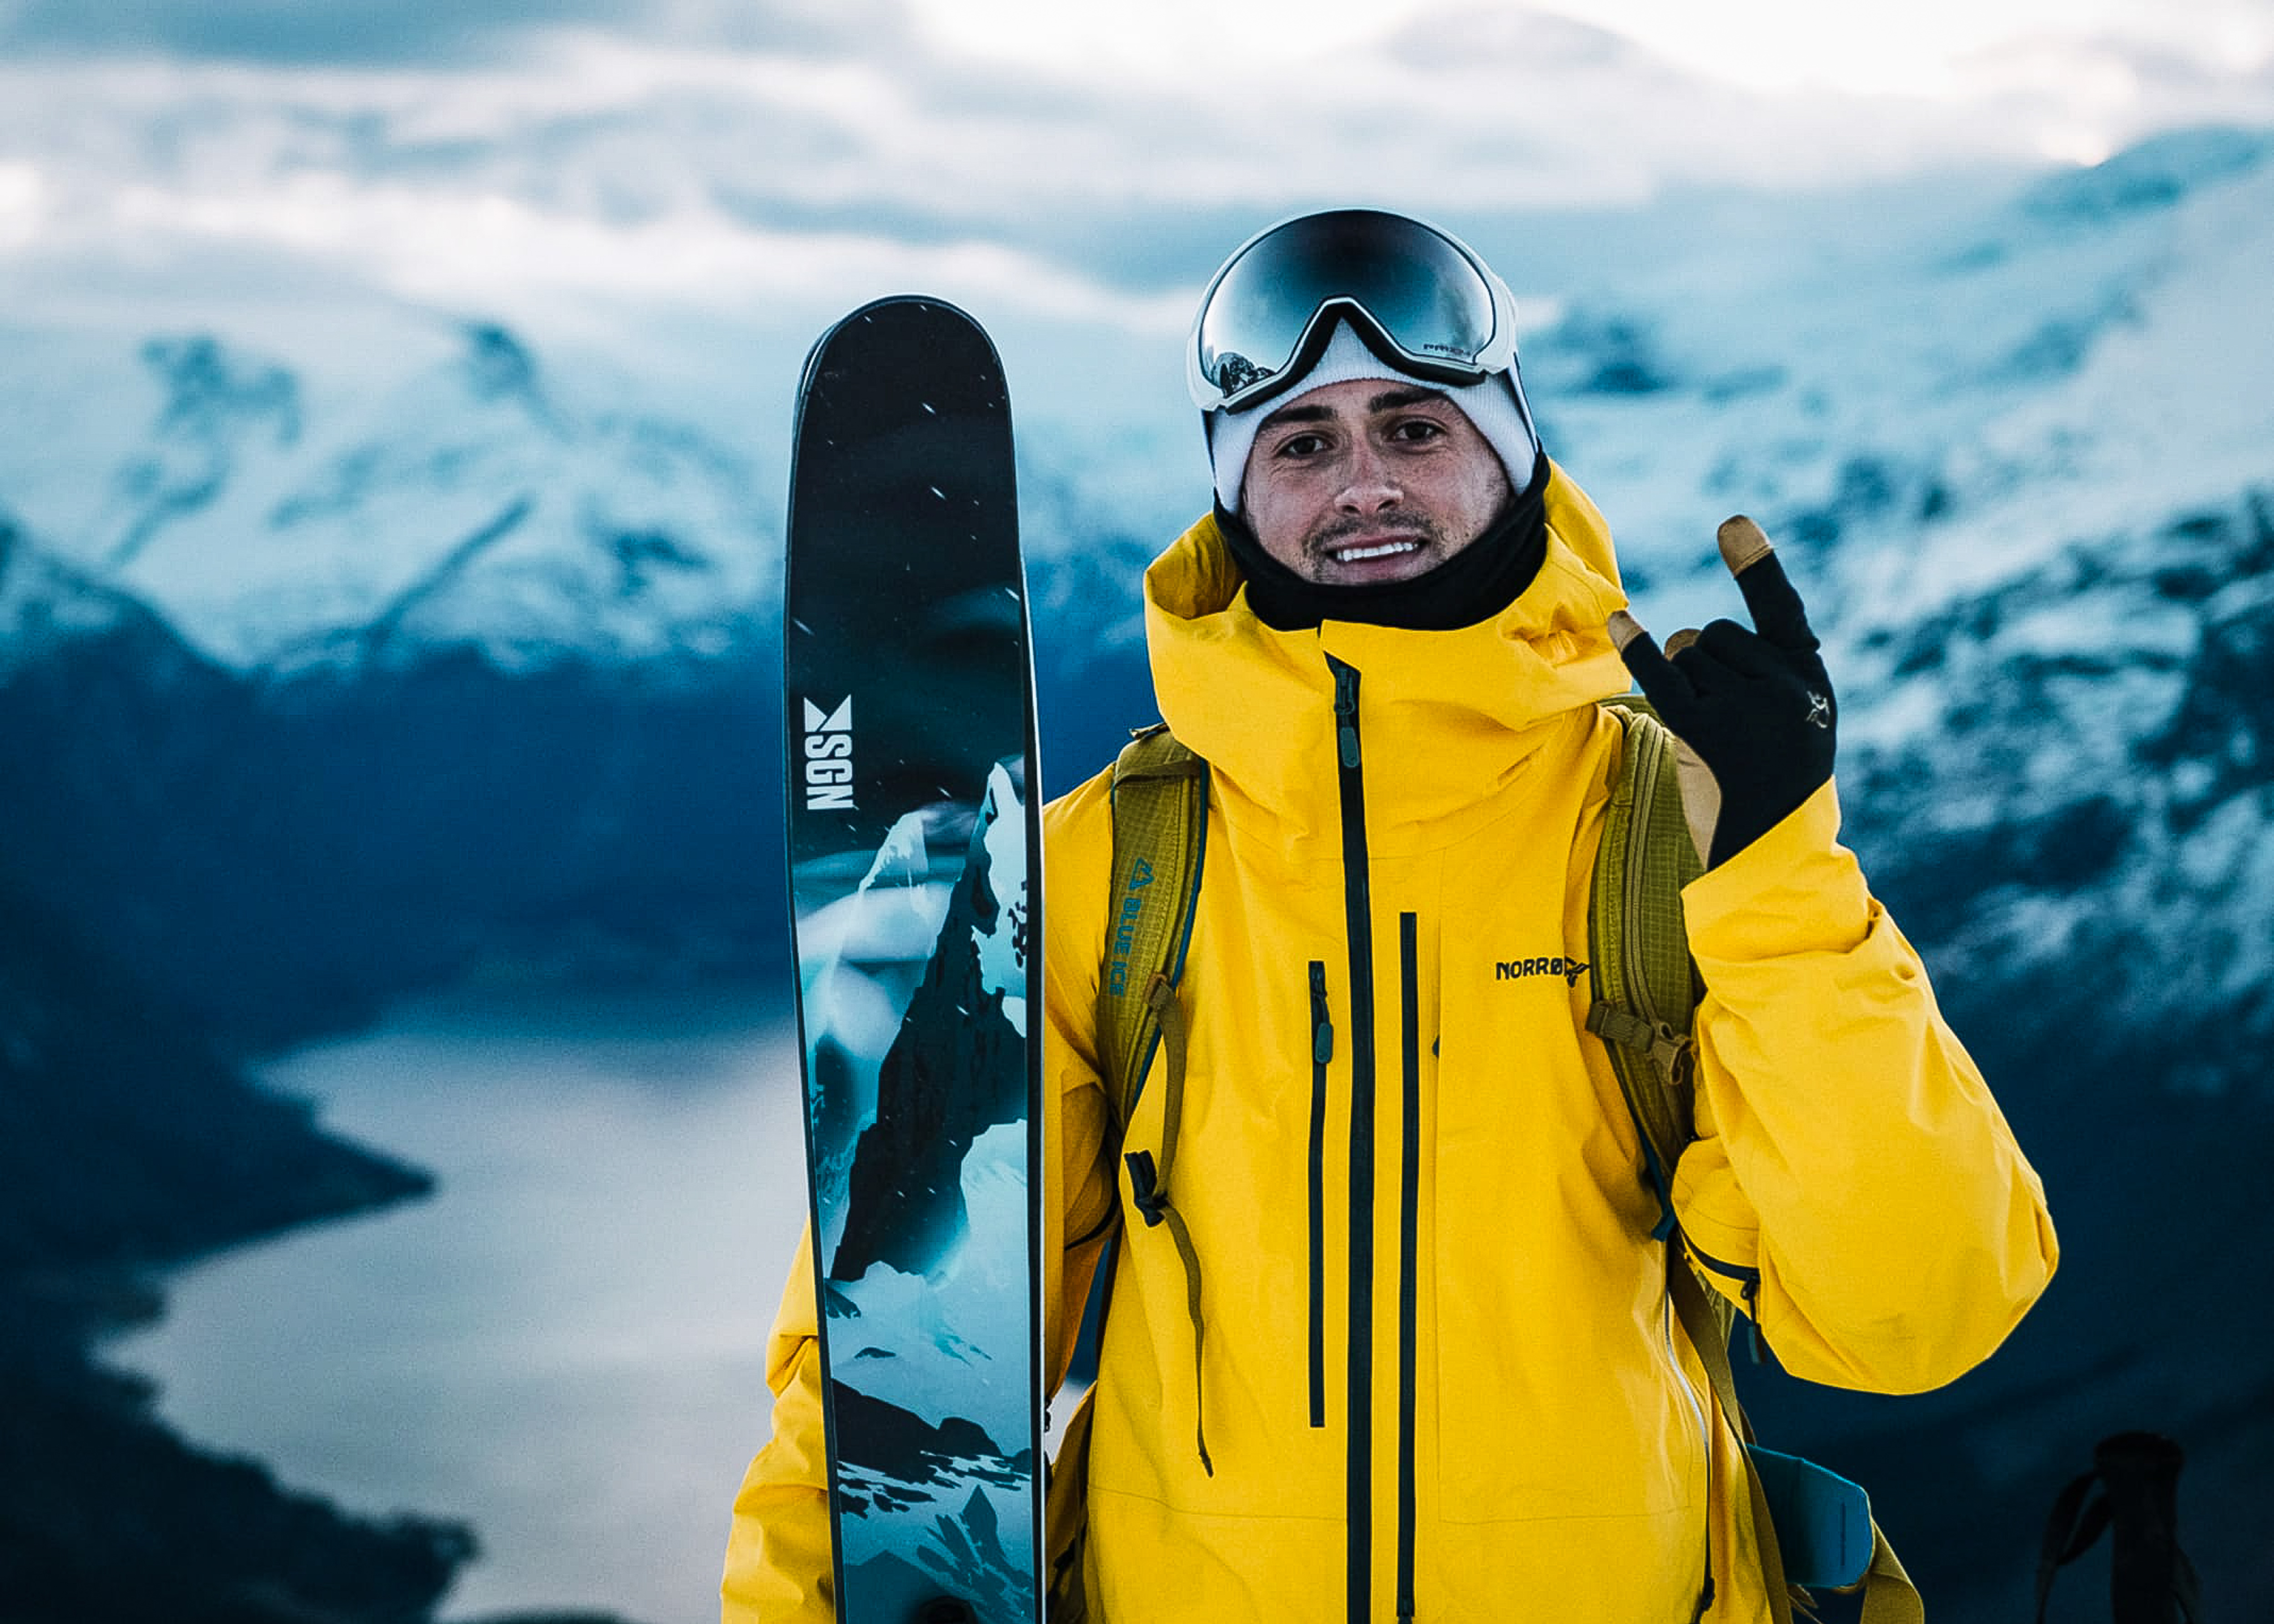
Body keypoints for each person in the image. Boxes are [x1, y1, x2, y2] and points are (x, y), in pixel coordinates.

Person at [723, 208, 2058, 1622]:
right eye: (1302, 444)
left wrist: (1781, 870)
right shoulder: (1107, 868)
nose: (1364, 483)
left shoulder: (1680, 833)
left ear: (1512, 454)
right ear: (1238, 497)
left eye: (1415, 427)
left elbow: (1916, 1312)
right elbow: (889, 1378)